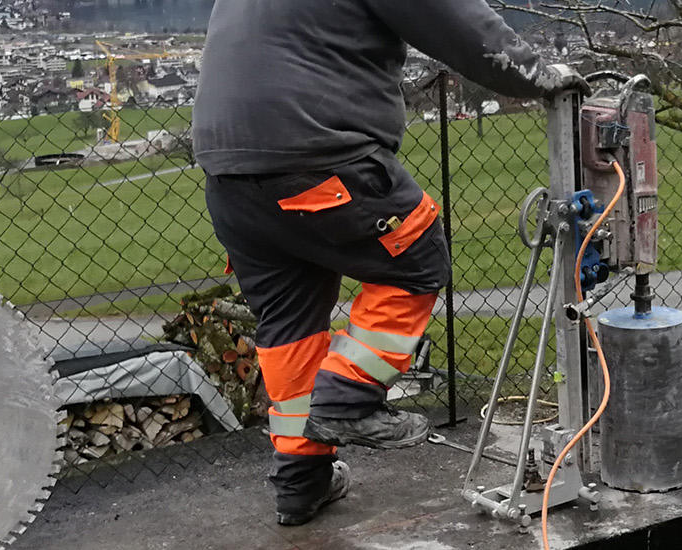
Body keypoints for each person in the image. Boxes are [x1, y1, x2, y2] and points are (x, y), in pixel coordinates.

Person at [192, 0, 586, 527]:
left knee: (289, 325)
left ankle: (301, 483)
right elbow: (459, 24)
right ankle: (349, 399)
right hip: (316, 150)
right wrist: (538, 75)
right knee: (416, 257)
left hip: (229, 175)